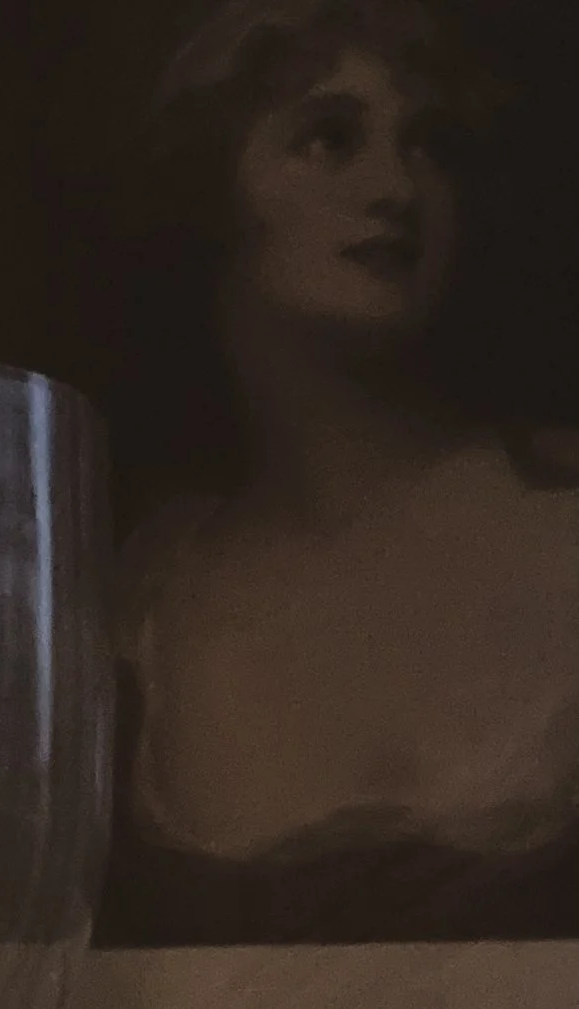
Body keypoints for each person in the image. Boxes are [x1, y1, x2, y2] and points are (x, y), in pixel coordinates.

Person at [104, 0, 579, 943]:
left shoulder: (559, 516)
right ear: (214, 192)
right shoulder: (139, 606)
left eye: (430, 145)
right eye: (329, 138)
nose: (398, 188)